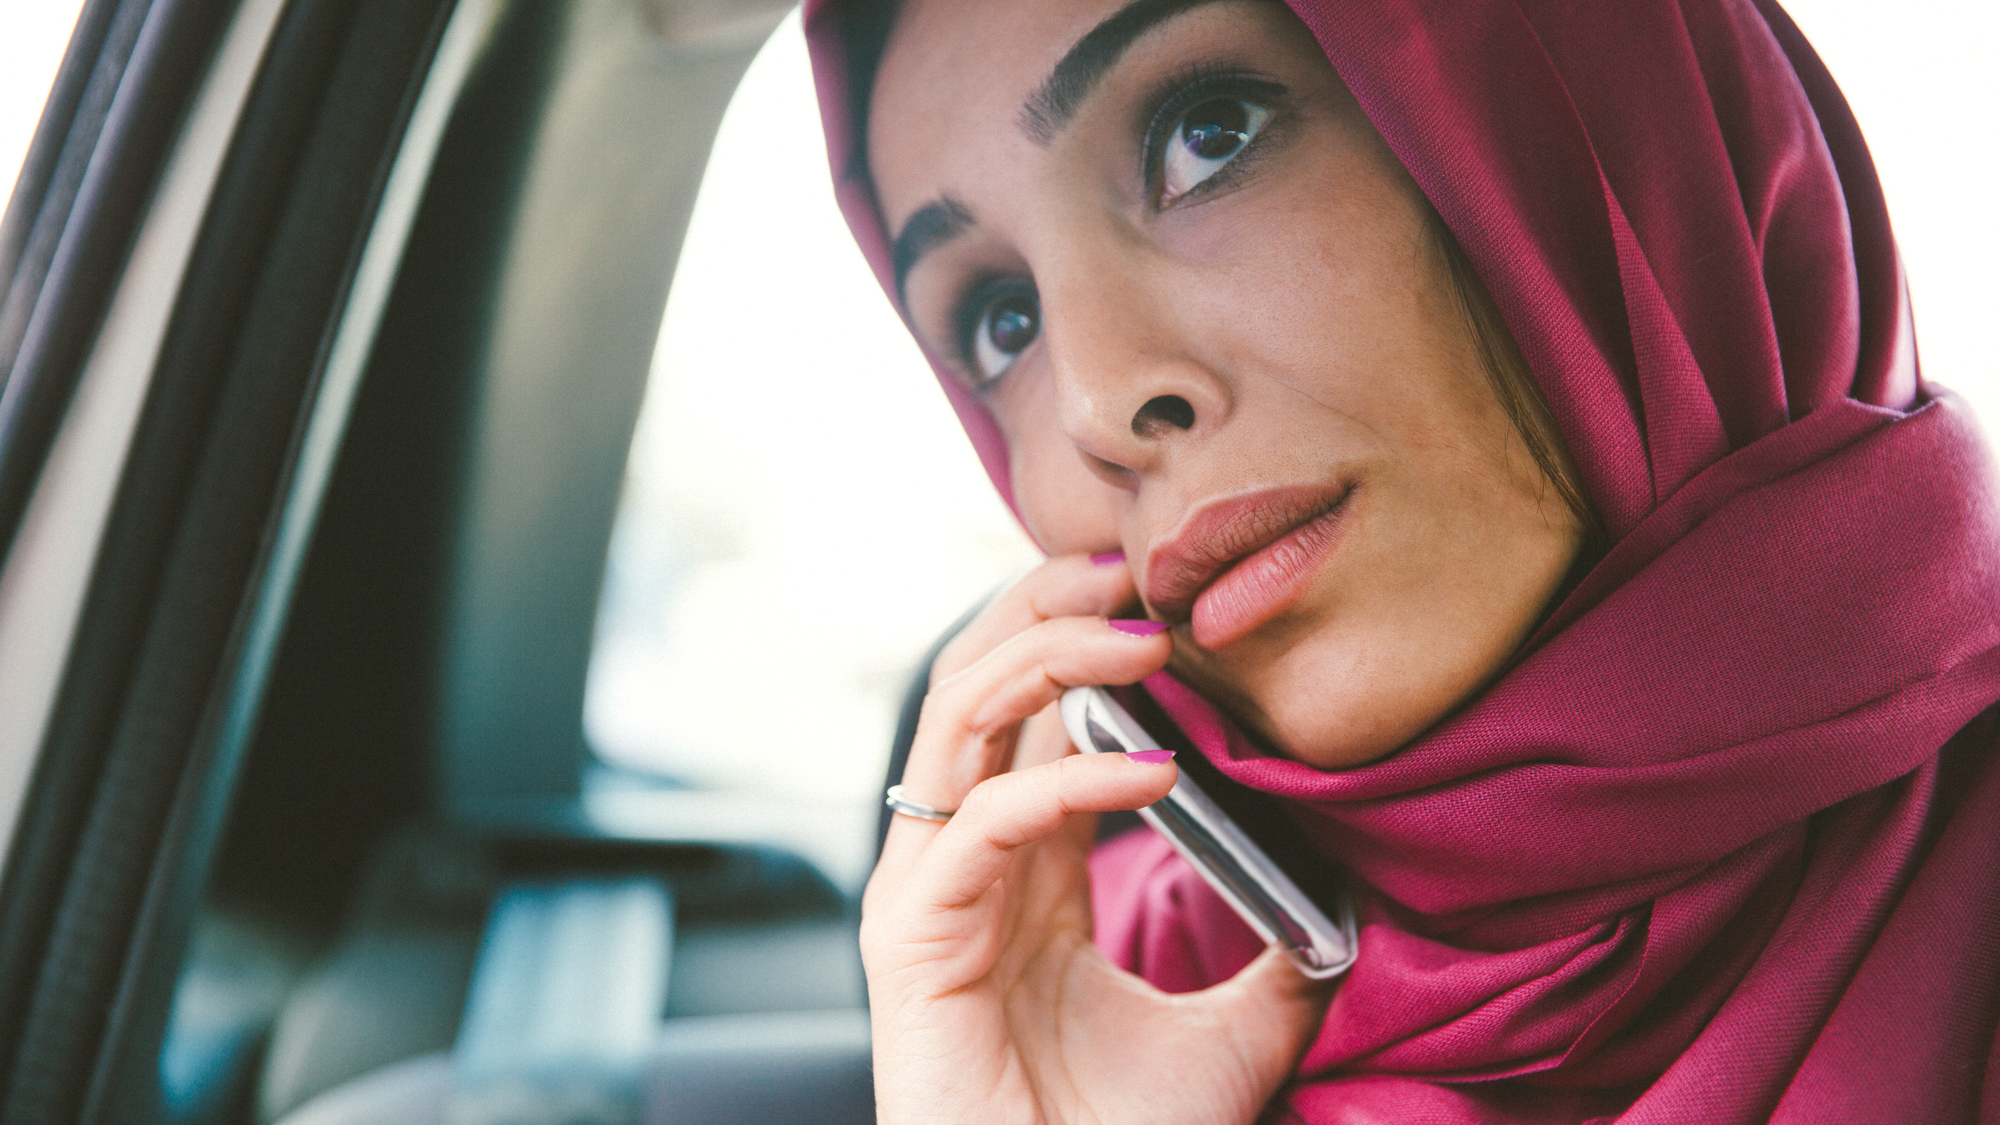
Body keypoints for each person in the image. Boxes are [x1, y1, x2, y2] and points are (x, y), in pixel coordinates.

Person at [804, 0, 2000, 1120]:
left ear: (1592, 125)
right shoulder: (1100, 999)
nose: (1097, 404)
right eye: (1003, 320)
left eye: (1206, 137)